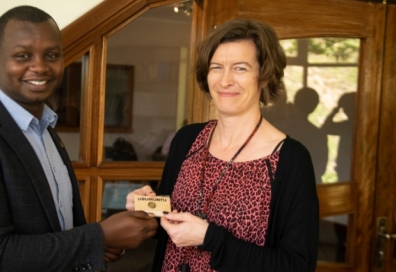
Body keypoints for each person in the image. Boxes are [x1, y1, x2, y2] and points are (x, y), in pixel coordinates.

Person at [0, 6, 158, 272]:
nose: (39, 66)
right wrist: (100, 236)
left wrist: (98, 245)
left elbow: (55, 228)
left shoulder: (46, 129)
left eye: (51, 55)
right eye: (23, 55)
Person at [127, 18, 319, 271]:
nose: (225, 80)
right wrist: (143, 205)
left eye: (240, 68)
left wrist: (211, 239)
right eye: (217, 67)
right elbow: (168, 217)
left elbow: (296, 265)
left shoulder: (290, 159)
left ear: (264, 77)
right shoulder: (187, 140)